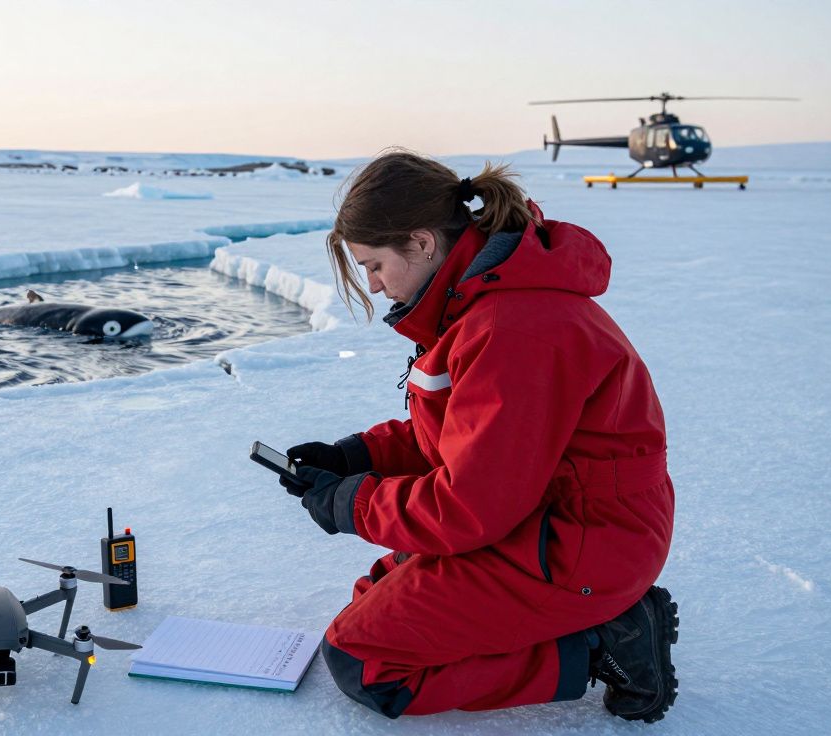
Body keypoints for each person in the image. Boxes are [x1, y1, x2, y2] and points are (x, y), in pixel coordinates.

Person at [281, 150, 677, 723]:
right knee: (372, 597)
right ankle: (592, 629)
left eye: (374, 264)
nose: (373, 284)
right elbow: (465, 436)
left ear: (422, 242)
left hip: (582, 544)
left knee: (365, 662)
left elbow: (469, 506)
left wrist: (353, 503)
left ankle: (604, 646)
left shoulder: (511, 328)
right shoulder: (480, 305)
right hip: (540, 521)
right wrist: (354, 457)